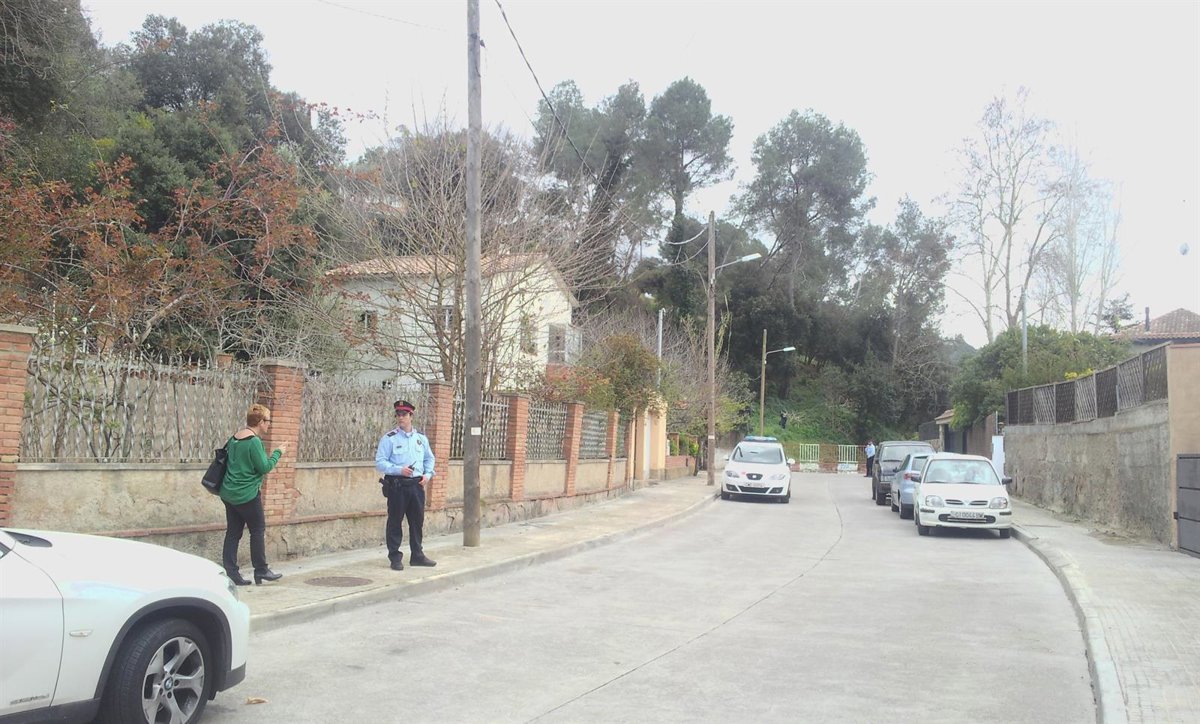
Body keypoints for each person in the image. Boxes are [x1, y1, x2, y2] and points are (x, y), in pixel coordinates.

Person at [220, 404, 286, 585]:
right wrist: (278, 452)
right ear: (260, 421)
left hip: (229, 493)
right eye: (268, 421)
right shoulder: (253, 441)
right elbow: (264, 467)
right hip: (246, 494)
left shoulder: (235, 438)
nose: (269, 425)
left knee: (233, 533)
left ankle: (231, 573)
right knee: (257, 530)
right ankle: (261, 570)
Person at [376, 399, 437, 571]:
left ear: (411, 416)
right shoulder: (389, 439)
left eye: (404, 414)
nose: (400, 417)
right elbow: (380, 463)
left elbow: (429, 459)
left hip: (416, 486)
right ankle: (395, 557)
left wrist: (428, 474)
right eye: (398, 414)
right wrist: (399, 470)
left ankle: (417, 555)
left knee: (417, 522)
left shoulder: (421, 439)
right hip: (397, 486)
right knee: (395, 522)